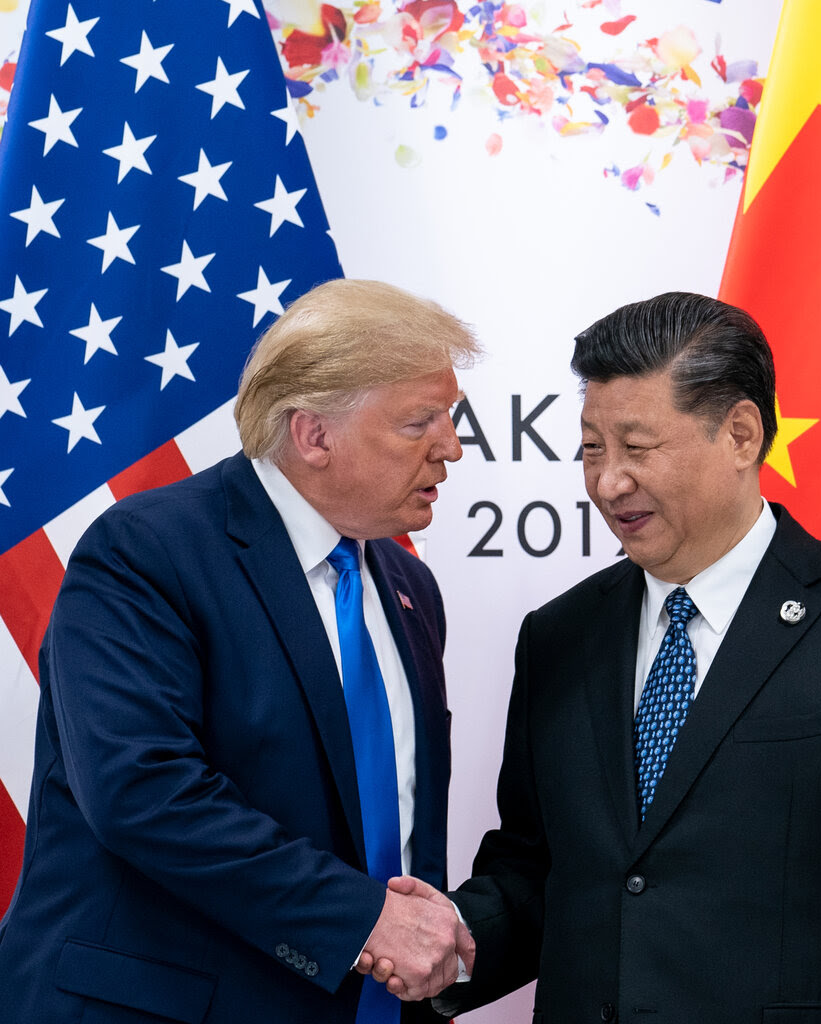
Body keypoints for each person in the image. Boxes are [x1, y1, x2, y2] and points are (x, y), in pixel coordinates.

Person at [377, 291, 821, 1022]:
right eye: (591, 448)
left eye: (637, 449)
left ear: (741, 435)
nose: (608, 482)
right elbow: (539, 872)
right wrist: (448, 942)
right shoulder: (559, 635)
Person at [0, 278, 479, 1023]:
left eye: (448, 419)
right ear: (313, 435)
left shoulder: (409, 588)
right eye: (421, 422)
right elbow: (142, 791)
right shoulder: (147, 552)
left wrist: (422, 962)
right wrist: (361, 921)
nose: (451, 446)